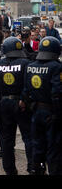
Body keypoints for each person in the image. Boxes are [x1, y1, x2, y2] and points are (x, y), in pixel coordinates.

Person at [0, 37, 33, 175]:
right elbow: (29, 84)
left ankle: (9, 169)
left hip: (3, 103)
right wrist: (24, 99)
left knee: (6, 140)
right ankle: (32, 167)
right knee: (28, 137)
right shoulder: (26, 63)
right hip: (21, 103)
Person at [21, 36, 62, 175]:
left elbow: (25, 92)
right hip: (51, 112)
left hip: (36, 111)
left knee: (37, 145)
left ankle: (37, 169)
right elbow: (57, 94)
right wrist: (58, 113)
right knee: (54, 147)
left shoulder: (30, 67)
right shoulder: (57, 67)